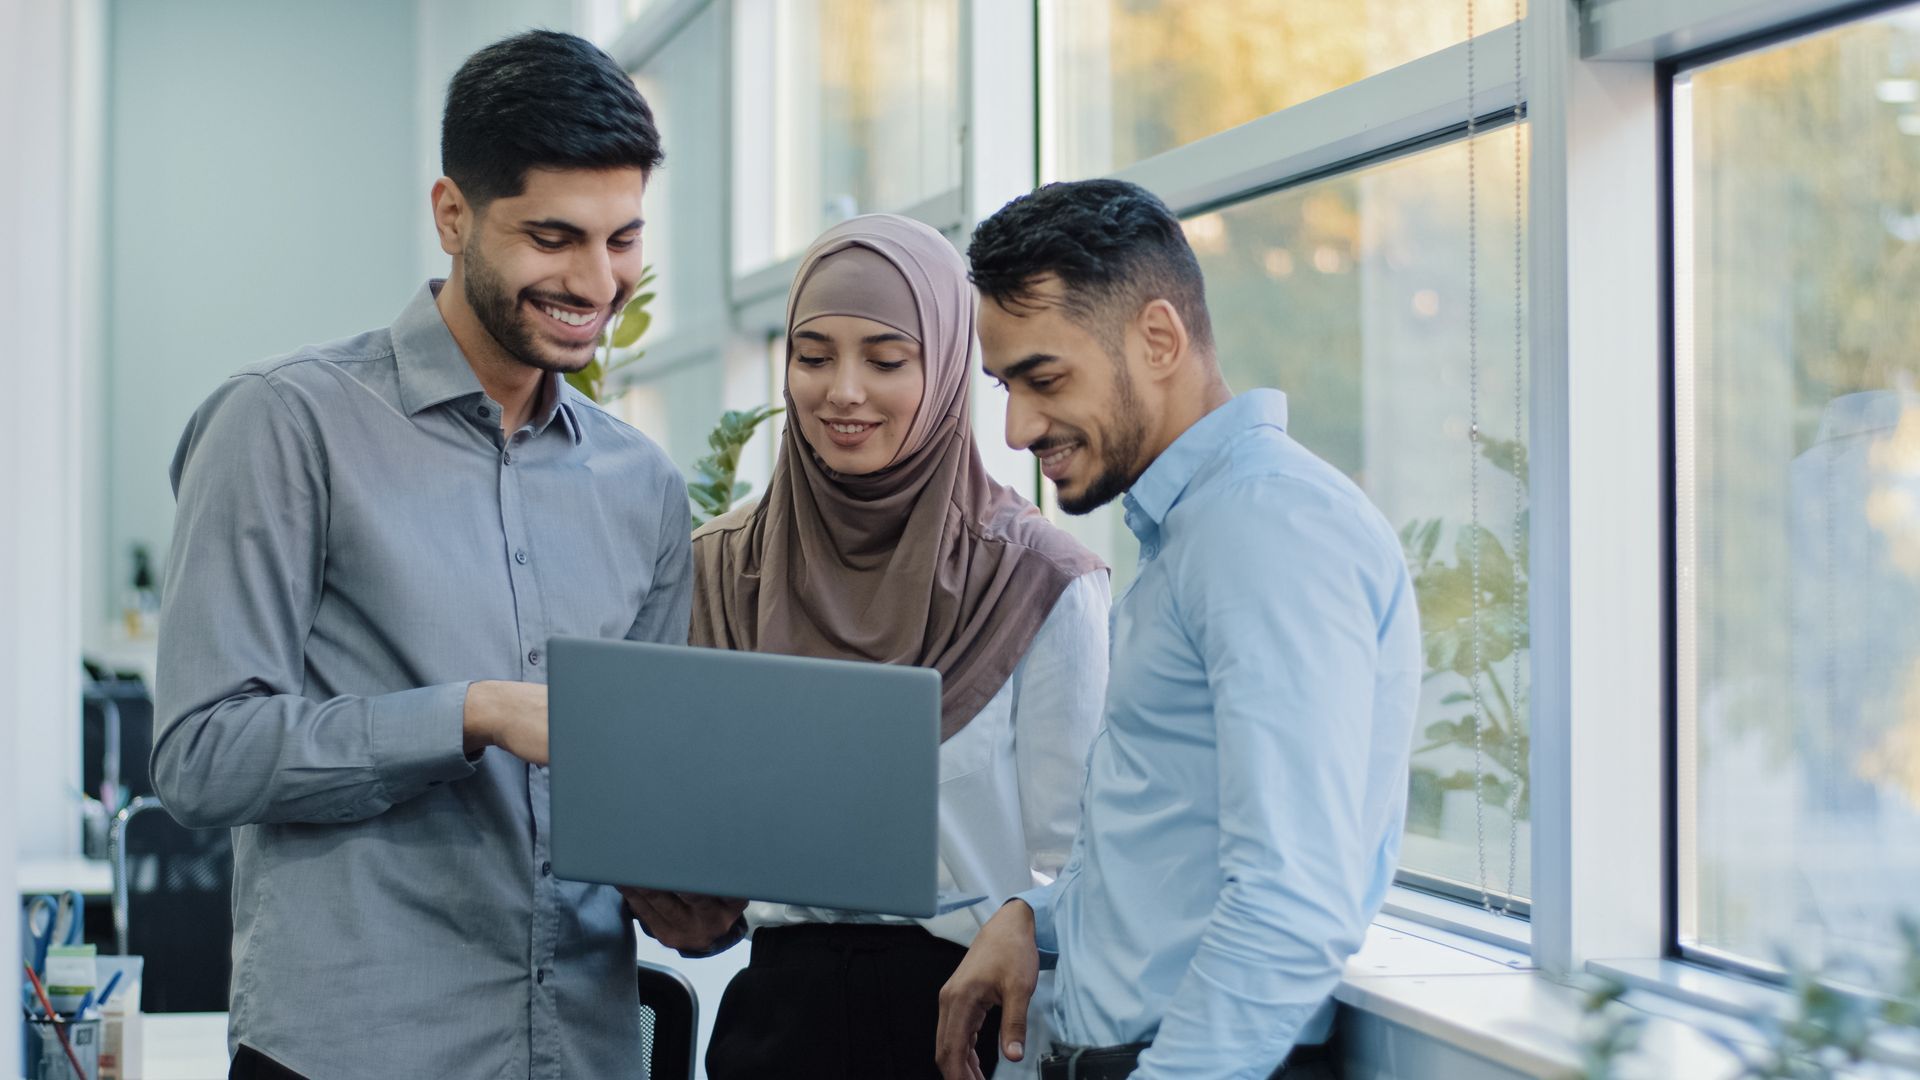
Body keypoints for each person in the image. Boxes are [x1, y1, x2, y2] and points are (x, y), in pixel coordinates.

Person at [153, 31, 689, 1080]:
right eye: (553, 237)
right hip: (352, 1053)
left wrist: (693, 892)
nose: (597, 280)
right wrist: (469, 714)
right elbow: (201, 756)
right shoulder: (285, 426)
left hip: (577, 1051)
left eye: (622, 240)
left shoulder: (645, 487)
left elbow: (641, 783)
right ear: (453, 216)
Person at [935, 179, 1422, 1080]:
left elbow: (1292, 901)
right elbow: (1168, 845)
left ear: (1158, 339)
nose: (1016, 426)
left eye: (1043, 379)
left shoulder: (1266, 530)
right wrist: (1033, 922)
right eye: (1005, 386)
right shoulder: (1199, 533)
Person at [636, 213, 1109, 1080]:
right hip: (775, 1026)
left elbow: (1078, 859)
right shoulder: (723, 567)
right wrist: (681, 896)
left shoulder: (1040, 581)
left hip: (963, 1028)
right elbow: (710, 849)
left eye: (887, 361)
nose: (843, 391)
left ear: (946, 370)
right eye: (813, 357)